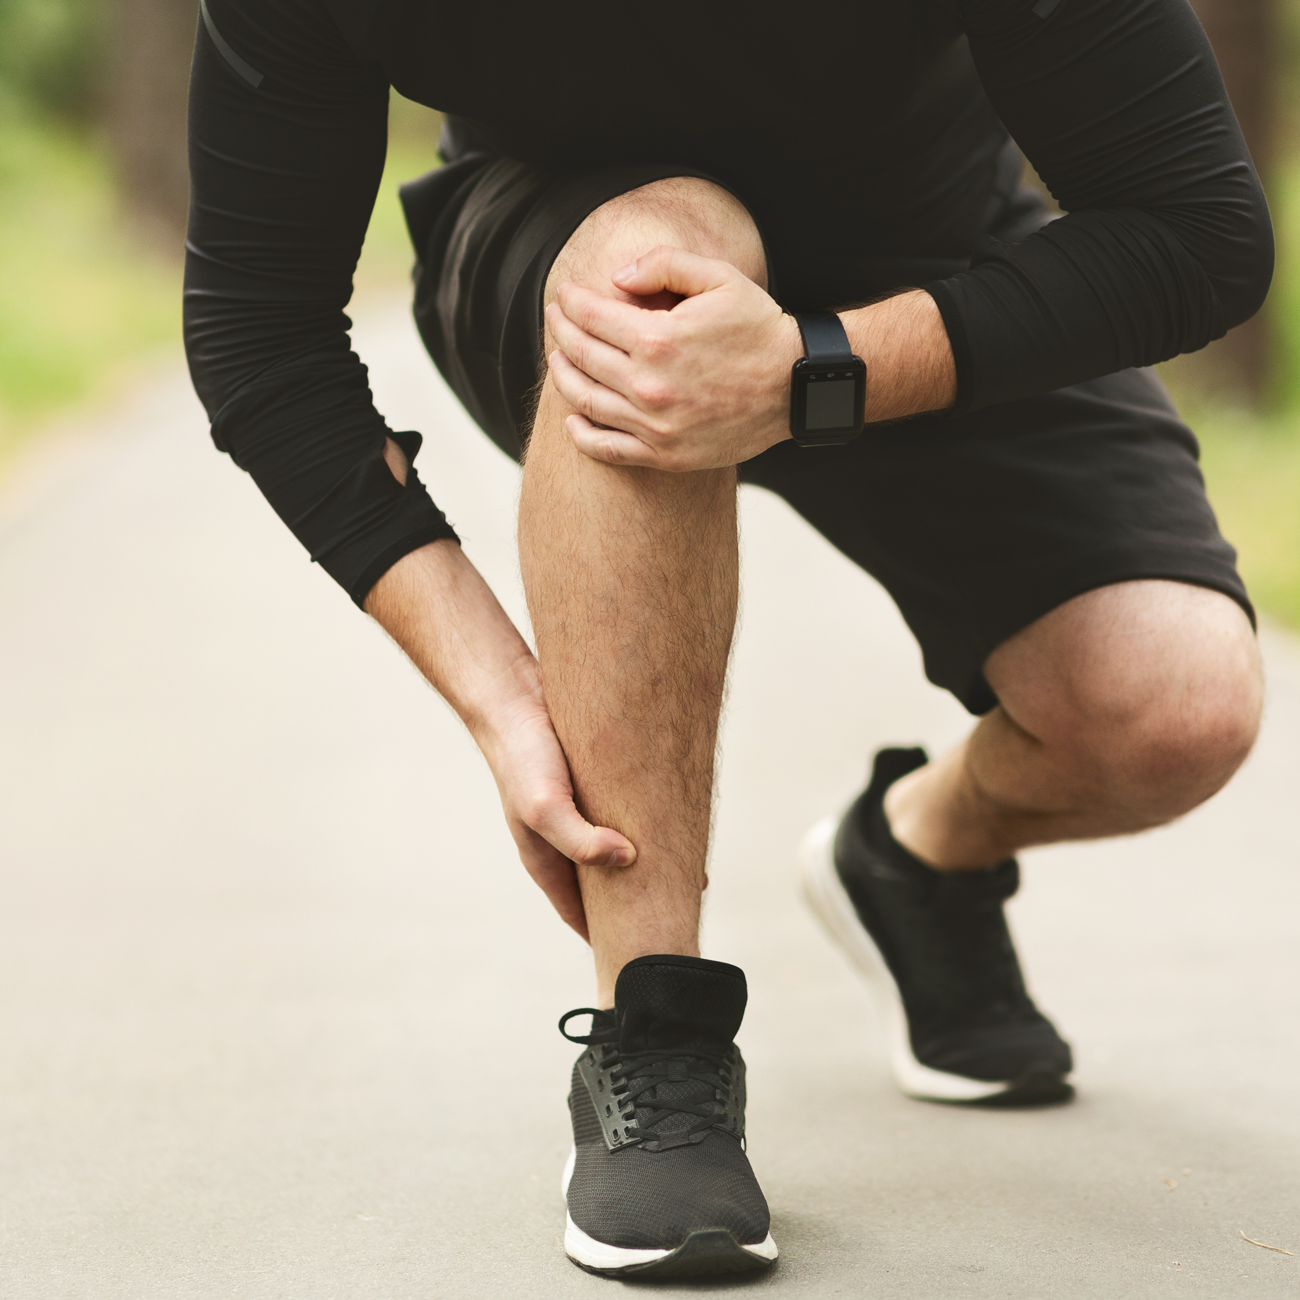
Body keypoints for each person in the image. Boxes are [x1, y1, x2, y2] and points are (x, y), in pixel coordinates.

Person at [184, 0, 1271, 1279]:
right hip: (563, 242)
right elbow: (261, 329)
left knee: (1171, 708)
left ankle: (913, 859)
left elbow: (1197, 234)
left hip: (924, 264)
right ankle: (655, 1032)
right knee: (652, 265)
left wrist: (818, 367)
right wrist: (503, 699)